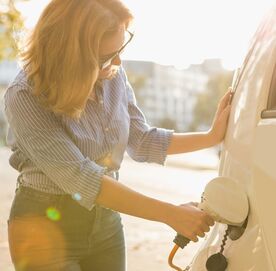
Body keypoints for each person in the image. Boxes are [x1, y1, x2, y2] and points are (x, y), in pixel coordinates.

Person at [4, 0, 232, 270]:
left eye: (121, 48)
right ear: (68, 53)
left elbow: (141, 139)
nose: (118, 61)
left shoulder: (112, 73)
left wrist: (211, 136)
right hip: (44, 227)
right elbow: (83, 179)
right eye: (105, 56)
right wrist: (172, 214)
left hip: (106, 223)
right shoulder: (24, 95)